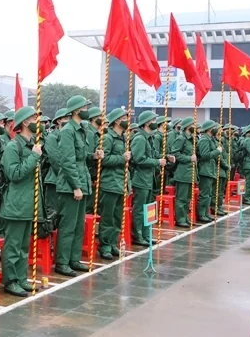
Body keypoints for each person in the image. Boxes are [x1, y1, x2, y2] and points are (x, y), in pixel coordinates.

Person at [0, 106, 42, 297]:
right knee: (13, 246)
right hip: (16, 203)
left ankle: (21, 277)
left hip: (29, 203)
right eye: (34, 119)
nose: (38, 123)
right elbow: (14, 173)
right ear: (25, 122)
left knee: (24, 246)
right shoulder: (13, 146)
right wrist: (33, 156)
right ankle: (10, 281)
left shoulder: (32, 144)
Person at [54, 96, 92, 275]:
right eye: (84, 107)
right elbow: (67, 162)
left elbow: (81, 157)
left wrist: (94, 156)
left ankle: (74, 259)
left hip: (82, 182)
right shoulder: (68, 131)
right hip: (71, 185)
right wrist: (76, 186)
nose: (87, 110)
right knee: (68, 226)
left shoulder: (81, 129)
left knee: (79, 225)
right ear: (76, 110)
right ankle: (62, 262)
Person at [99, 108, 132, 257]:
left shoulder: (124, 138)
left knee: (118, 217)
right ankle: (105, 245)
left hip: (121, 182)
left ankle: (113, 243)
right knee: (108, 217)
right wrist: (121, 158)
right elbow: (103, 159)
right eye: (125, 118)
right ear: (117, 121)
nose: (127, 120)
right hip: (110, 182)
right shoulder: (108, 138)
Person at [130, 111, 167, 246]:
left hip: (149, 179)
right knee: (140, 209)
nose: (155, 123)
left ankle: (146, 235)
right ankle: (138, 235)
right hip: (141, 179)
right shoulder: (140, 139)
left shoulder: (149, 138)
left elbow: (154, 154)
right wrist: (157, 162)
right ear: (146, 123)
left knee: (148, 209)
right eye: (153, 121)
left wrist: (165, 158)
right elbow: (138, 159)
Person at [171, 117, 196, 227]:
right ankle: (180, 219)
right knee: (181, 198)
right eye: (192, 125)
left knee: (187, 198)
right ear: (187, 127)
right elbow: (175, 154)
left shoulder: (191, 139)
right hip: (183, 172)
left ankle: (185, 217)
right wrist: (189, 158)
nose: (194, 127)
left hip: (190, 172)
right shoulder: (181, 139)